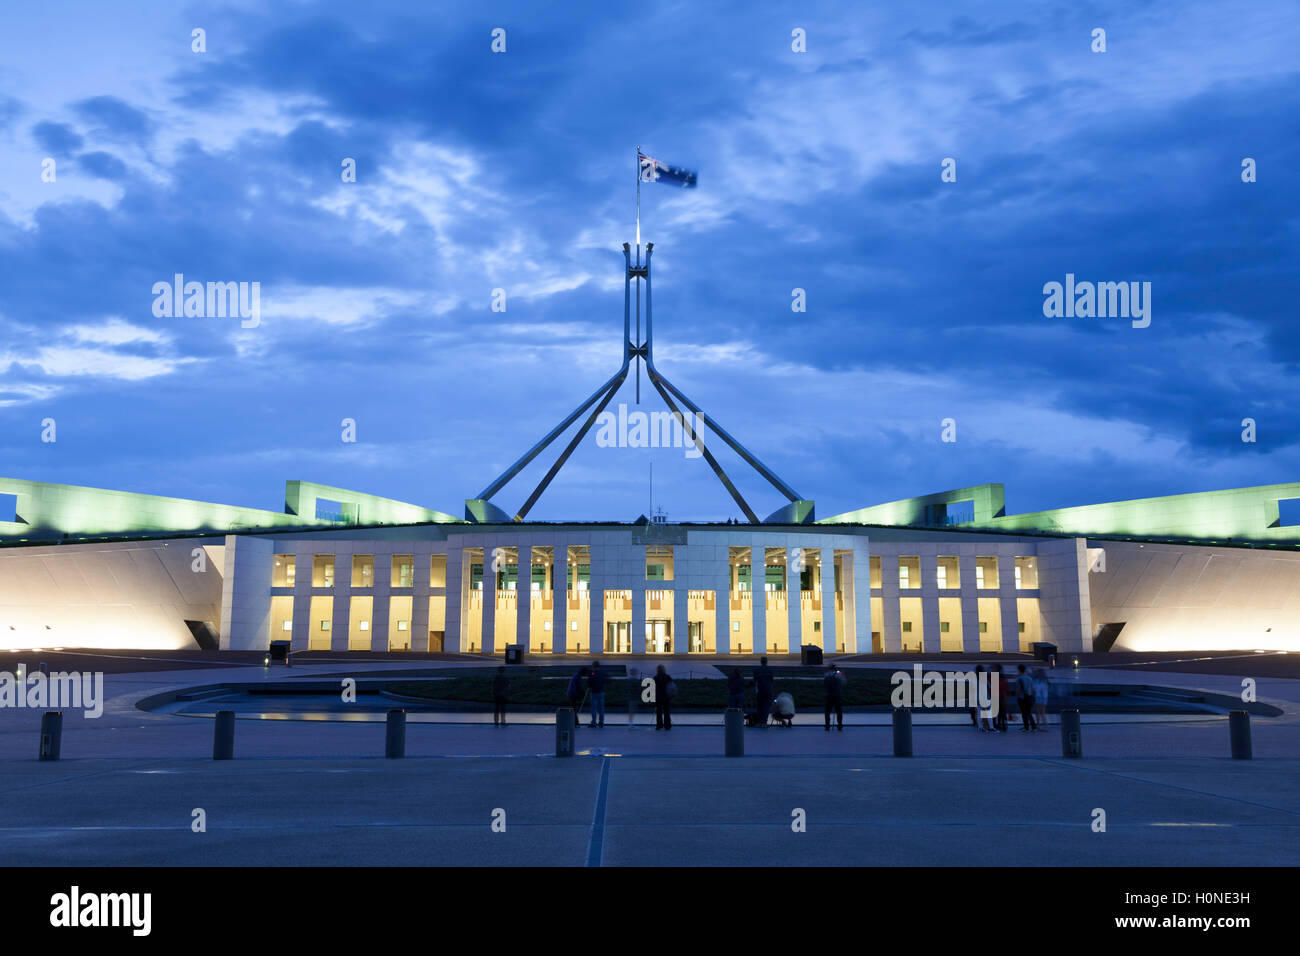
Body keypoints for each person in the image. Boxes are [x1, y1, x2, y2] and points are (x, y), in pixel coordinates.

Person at [753, 656, 775, 727]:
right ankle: (764, 722)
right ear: (767, 661)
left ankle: (759, 722)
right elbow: (772, 680)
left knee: (759, 707)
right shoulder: (770, 669)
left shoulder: (757, 669)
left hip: (760, 690)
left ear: (760, 661)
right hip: (768, 690)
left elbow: (754, 680)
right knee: (766, 707)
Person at [1015, 663, 1037, 732]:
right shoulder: (1029, 678)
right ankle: (1033, 727)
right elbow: (1032, 689)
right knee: (1029, 712)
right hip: (1029, 697)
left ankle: (1026, 727)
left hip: (1022, 698)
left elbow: (1018, 690)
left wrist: (1017, 697)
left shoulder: (1019, 679)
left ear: (1019, 670)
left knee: (1024, 713)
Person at [823, 663, 845, 731]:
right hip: (837, 695)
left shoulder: (826, 674)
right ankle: (839, 725)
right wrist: (842, 674)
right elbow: (844, 682)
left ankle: (827, 726)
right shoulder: (838, 675)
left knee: (827, 712)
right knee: (839, 711)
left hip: (828, 695)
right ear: (835, 668)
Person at [653, 664, 673, 730]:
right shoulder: (668, 677)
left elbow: (653, 688)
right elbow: (671, 686)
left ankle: (659, 725)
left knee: (659, 712)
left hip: (658, 697)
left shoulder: (655, 678)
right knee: (666, 712)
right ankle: (667, 726)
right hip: (666, 697)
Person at [588, 660, 607, 728]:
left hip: (594, 692)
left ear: (593, 666)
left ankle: (594, 722)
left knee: (594, 709)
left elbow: (589, 682)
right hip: (601, 692)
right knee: (601, 709)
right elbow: (606, 680)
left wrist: (590, 688)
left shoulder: (592, 673)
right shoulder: (602, 673)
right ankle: (601, 722)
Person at [1032, 667, 1050, 731]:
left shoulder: (1044, 680)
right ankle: (1038, 725)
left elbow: (1037, 688)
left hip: (1043, 697)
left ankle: (1045, 726)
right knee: (1037, 712)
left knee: (1042, 712)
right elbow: (1034, 688)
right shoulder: (1036, 680)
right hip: (1038, 697)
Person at [992, 664, 1008, 732]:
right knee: (1002, 711)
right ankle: (1003, 725)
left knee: (996, 711)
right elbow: (1006, 687)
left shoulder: (994, 676)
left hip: (996, 695)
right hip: (1002, 696)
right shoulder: (1003, 677)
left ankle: (996, 725)